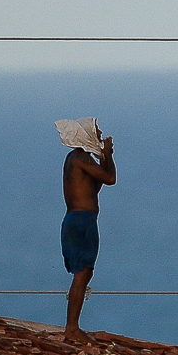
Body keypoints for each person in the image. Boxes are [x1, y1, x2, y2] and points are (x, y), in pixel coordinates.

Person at [56, 117, 116, 343]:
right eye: (96, 133)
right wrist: (107, 154)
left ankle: (73, 325)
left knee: (84, 271)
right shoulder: (81, 158)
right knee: (82, 273)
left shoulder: (77, 160)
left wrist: (103, 157)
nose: (100, 135)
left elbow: (99, 184)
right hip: (82, 221)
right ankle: (72, 327)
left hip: (78, 220)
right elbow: (110, 178)